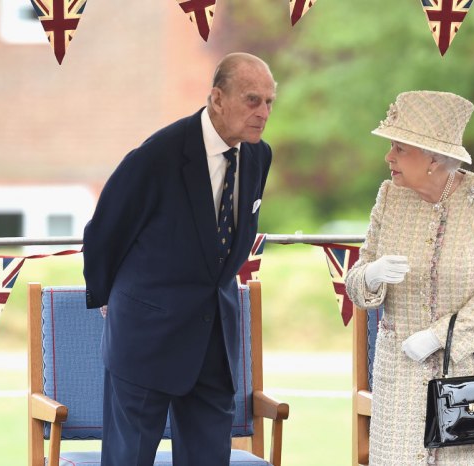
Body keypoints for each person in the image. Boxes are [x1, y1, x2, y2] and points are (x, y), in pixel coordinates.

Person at [83, 52, 276, 465]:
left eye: (269, 102)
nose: (263, 112)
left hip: (214, 343)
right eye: (252, 100)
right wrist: (108, 296)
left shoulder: (259, 156)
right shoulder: (159, 155)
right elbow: (104, 231)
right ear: (217, 98)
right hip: (145, 339)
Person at [345, 90, 474, 465]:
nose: (388, 157)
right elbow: (356, 281)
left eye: (399, 148)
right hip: (402, 378)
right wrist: (371, 276)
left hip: (473, 376)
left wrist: (437, 336)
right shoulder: (389, 196)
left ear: (432, 158)